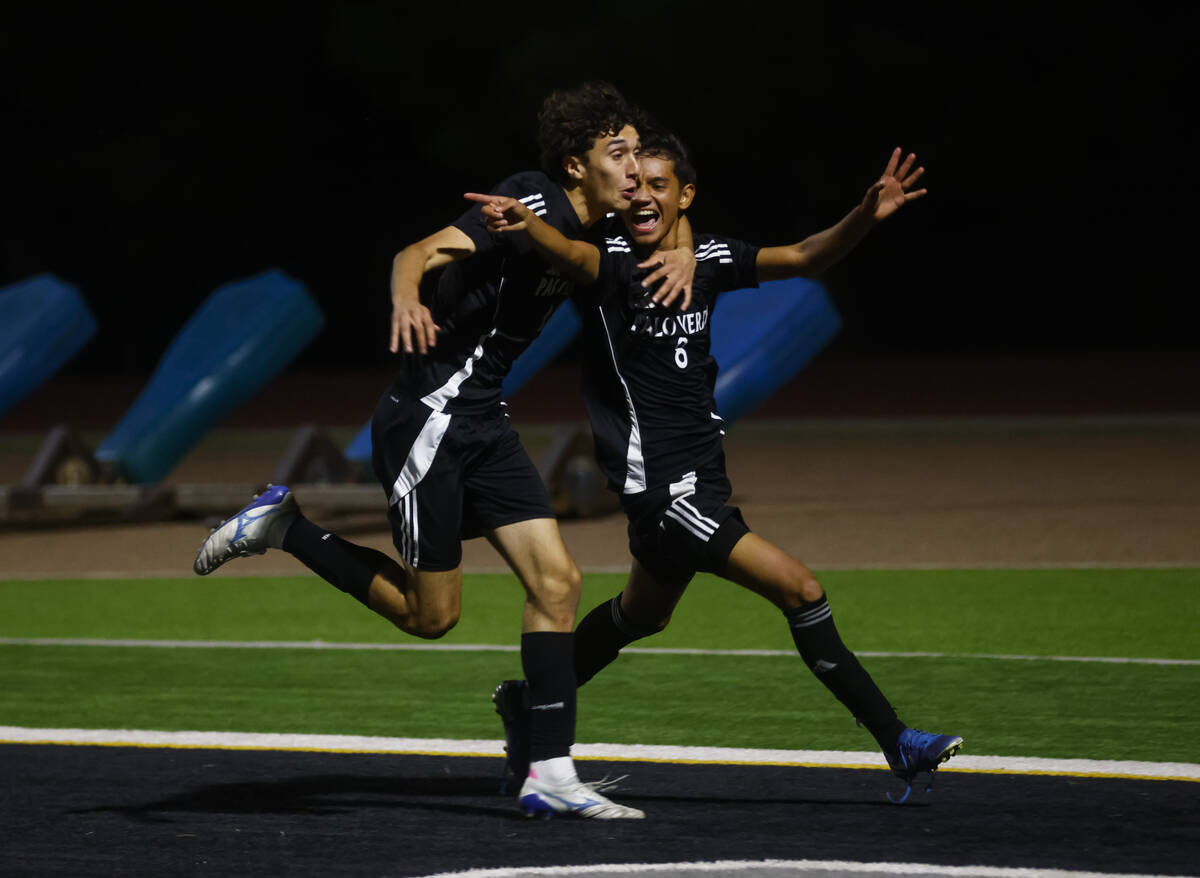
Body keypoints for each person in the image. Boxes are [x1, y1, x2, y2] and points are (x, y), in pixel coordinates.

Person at [192, 83, 697, 820]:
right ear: (574, 165)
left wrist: (683, 252)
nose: (632, 167)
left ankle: (550, 774)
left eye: (634, 152)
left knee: (557, 582)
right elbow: (418, 251)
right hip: (427, 418)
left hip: (483, 419)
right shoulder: (529, 200)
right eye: (615, 153)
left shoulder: (605, 232)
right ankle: (286, 526)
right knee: (432, 618)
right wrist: (406, 298)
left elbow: (675, 221)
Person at [469, 128, 963, 805]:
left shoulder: (711, 260)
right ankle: (897, 741)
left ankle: (531, 701)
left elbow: (806, 256)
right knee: (803, 590)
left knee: (641, 616)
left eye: (656, 184)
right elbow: (572, 253)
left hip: (701, 483)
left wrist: (863, 214)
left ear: (687, 194)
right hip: (663, 494)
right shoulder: (612, 261)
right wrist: (528, 226)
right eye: (631, 183)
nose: (639, 193)